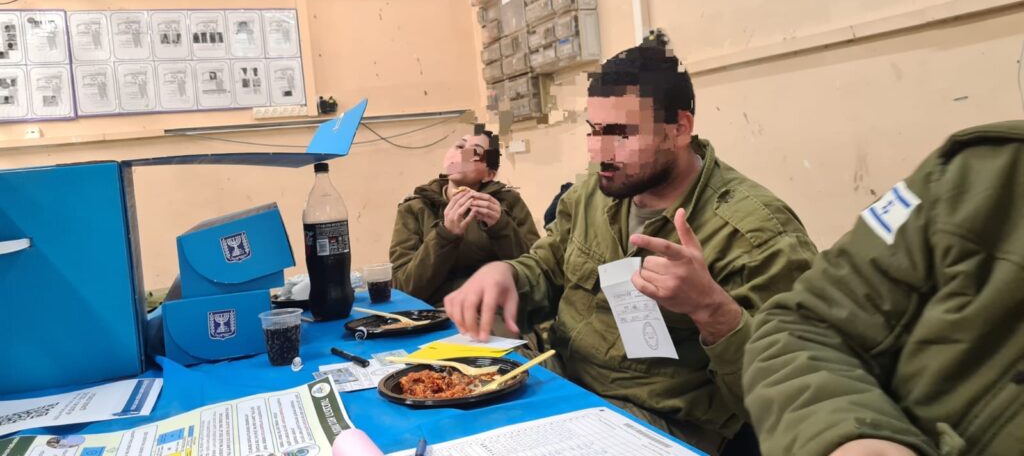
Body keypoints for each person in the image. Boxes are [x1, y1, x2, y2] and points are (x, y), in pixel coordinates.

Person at [443, 40, 817, 455]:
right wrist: (509, 273)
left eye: (622, 134)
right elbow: (550, 264)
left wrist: (713, 311)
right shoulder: (596, 192)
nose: (601, 152)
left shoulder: (756, 234)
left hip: (656, 420)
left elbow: (795, 394)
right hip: (561, 382)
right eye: (595, 131)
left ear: (679, 129)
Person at [743, 121, 1024, 456]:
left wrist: (712, 311)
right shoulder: (984, 172)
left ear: (681, 126)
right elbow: (806, 325)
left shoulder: (753, 224)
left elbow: (731, 406)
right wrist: (847, 438)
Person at [390, 124, 540, 307]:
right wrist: (444, 236)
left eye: (475, 152)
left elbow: (536, 274)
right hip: (433, 313)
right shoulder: (414, 207)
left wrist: (501, 227)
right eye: (459, 147)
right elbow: (403, 289)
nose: (462, 155)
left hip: (495, 307)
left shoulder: (507, 203)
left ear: (488, 174)